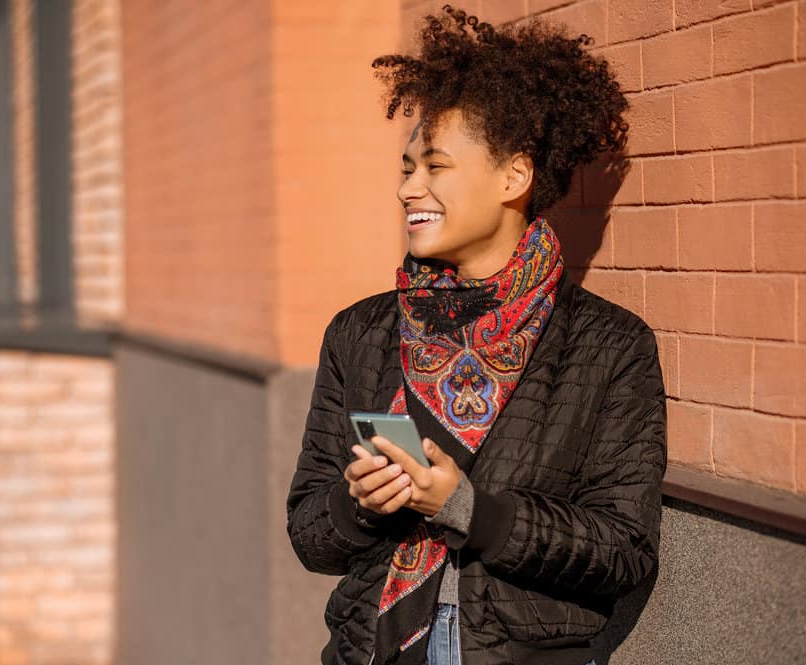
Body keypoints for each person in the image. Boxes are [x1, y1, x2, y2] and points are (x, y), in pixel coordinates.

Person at [286, 6, 667, 664]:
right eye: (406, 168)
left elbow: (622, 550)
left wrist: (469, 507)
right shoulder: (362, 331)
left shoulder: (609, 345)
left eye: (435, 166)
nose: (409, 188)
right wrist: (359, 506)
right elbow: (308, 532)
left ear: (513, 177)